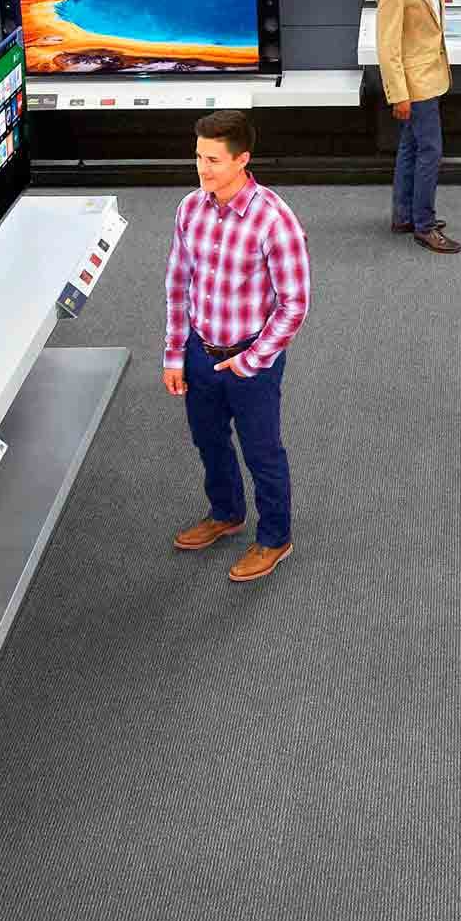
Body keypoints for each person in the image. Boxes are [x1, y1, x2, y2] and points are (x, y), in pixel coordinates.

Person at [163, 110, 313, 583]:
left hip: (252, 360)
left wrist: (251, 361)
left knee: (262, 452)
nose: (202, 169)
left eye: (213, 160)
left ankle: (275, 538)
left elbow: (294, 305)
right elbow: (178, 284)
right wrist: (175, 353)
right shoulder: (190, 209)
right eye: (198, 157)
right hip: (199, 352)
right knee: (208, 440)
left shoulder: (274, 221)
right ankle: (226, 513)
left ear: (242, 160)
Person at [377, 0, 460, 254]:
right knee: (430, 151)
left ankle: (404, 216)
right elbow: (388, 48)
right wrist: (399, 95)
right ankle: (424, 226)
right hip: (416, 85)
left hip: (431, 77)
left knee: (411, 149)